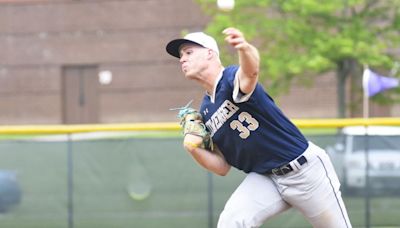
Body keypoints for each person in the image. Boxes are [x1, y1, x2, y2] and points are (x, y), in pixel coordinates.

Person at [165, 27, 352, 228]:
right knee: (231, 222)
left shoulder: (229, 79)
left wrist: (244, 48)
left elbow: (251, 71)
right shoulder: (206, 109)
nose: (182, 59)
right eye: (181, 56)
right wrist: (193, 149)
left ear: (210, 53)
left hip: (305, 172)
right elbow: (222, 166)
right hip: (266, 178)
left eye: (189, 53)